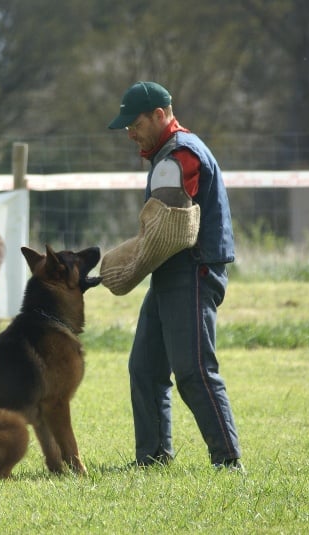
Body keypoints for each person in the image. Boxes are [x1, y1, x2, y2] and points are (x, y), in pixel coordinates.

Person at [101, 81, 242, 470]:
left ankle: (228, 462)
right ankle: (153, 458)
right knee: (144, 368)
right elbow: (161, 234)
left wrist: (128, 267)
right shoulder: (167, 153)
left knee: (195, 371)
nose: (129, 132)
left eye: (135, 123)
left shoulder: (179, 156)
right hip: (172, 273)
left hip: (192, 271)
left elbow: (169, 231)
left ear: (160, 115)